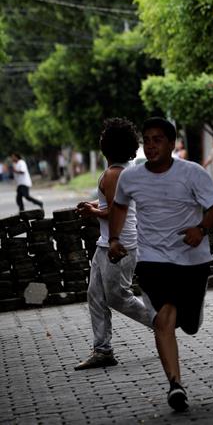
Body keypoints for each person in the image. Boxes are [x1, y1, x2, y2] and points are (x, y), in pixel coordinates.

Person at [108, 117, 213, 412]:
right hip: (152, 260)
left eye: (157, 140)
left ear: (172, 144)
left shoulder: (192, 173)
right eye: (146, 140)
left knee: (189, 324)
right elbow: (120, 206)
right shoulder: (131, 177)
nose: (150, 146)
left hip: (192, 261)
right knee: (162, 320)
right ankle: (175, 385)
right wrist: (113, 239)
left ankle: (192, 314)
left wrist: (200, 229)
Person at [74, 118, 156, 371]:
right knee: (96, 296)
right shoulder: (124, 170)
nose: (100, 139)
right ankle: (102, 350)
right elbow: (113, 207)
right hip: (108, 243)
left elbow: (114, 214)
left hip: (120, 244)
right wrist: (94, 207)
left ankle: (159, 322)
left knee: (117, 297)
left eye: (103, 137)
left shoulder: (113, 174)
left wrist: (93, 212)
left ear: (108, 146)